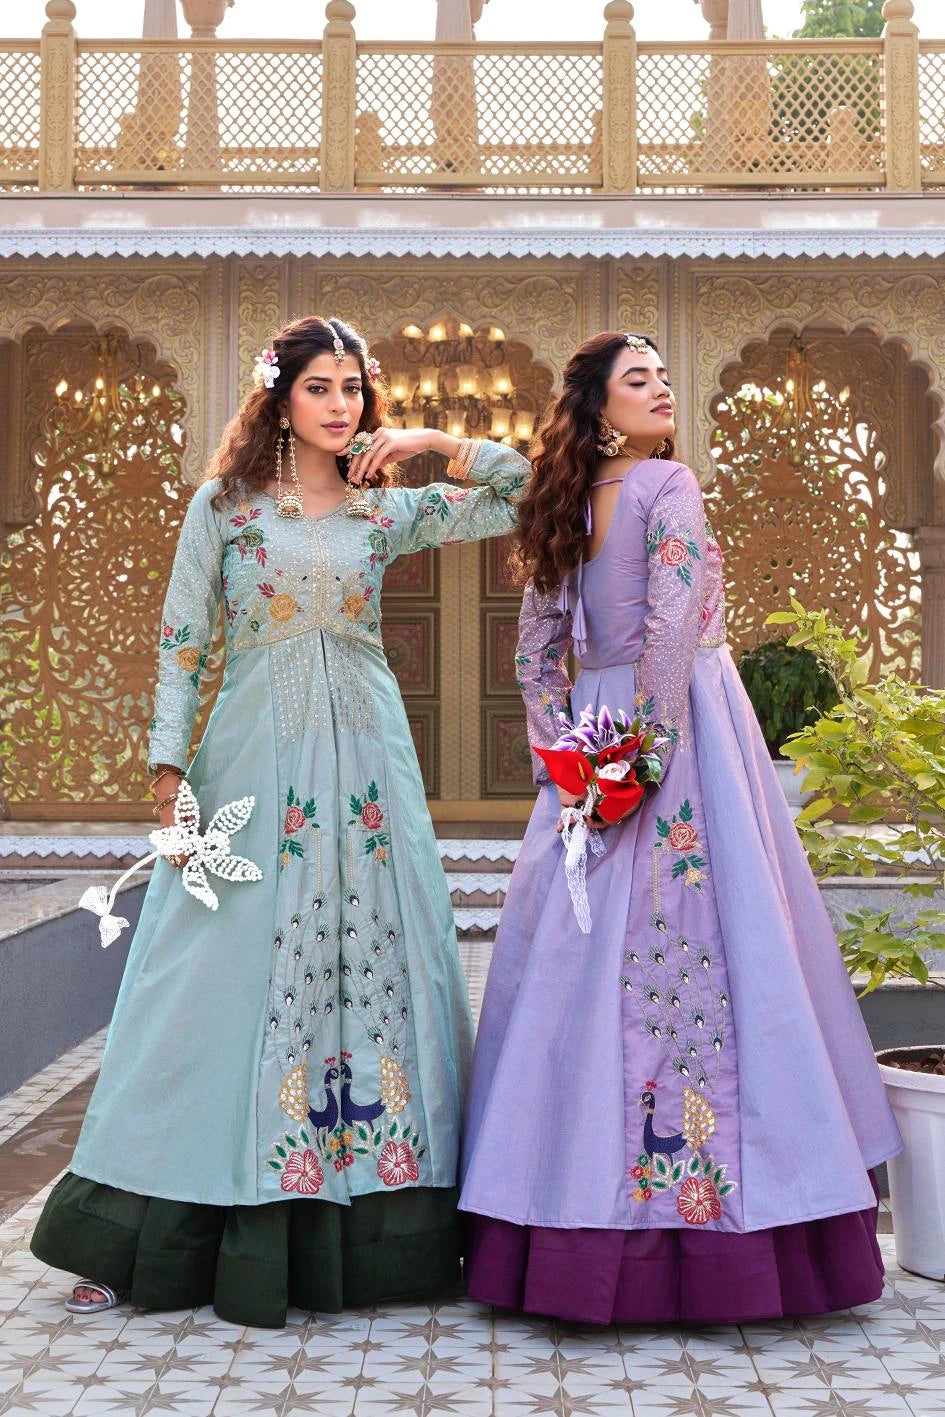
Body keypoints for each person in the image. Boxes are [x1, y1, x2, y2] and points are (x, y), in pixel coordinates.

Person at [31, 314, 528, 1328]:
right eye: (320, 387)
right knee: (202, 974)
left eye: (354, 388)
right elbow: (182, 640)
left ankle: (376, 1236)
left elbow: (519, 491)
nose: (342, 405)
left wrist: (431, 441)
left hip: (369, 770)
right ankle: (137, 1234)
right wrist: (167, 773)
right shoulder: (225, 507)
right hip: (252, 764)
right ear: (279, 397)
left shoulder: (386, 509)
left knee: (381, 957)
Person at [459, 330, 901, 1325]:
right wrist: (650, 754)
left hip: (598, 736)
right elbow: (669, 628)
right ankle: (726, 1221)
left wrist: (568, 759)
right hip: (686, 729)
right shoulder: (669, 485)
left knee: (575, 963)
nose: (662, 389)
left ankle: (561, 1205)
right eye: (638, 379)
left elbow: (533, 653)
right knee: (725, 947)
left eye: (663, 375)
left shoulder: (565, 502)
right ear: (599, 409)